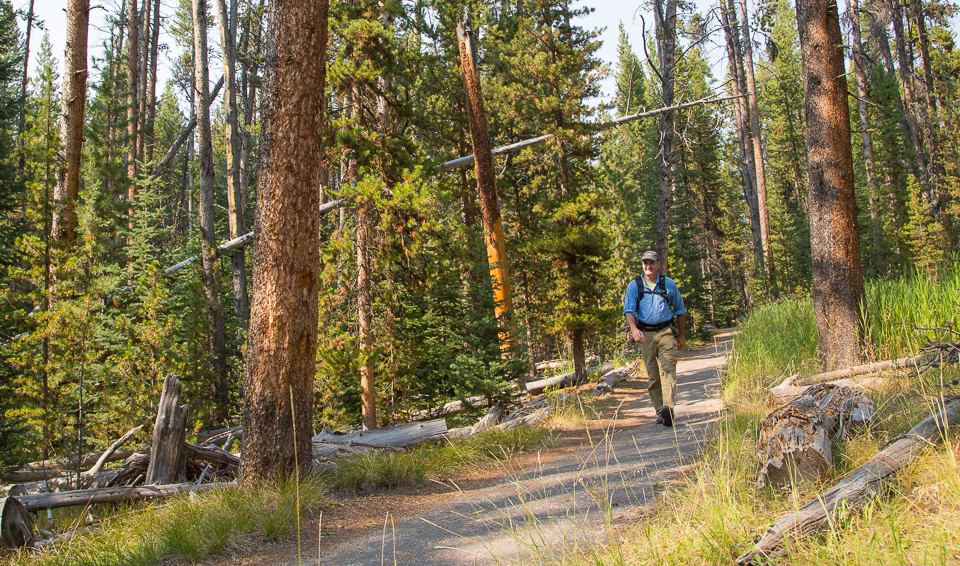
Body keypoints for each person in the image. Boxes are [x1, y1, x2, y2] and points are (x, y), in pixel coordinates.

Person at [623, 251, 686, 427]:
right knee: (653, 375)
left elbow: (680, 311)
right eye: (645, 263)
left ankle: (669, 408)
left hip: (666, 331)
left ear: (658, 264)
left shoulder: (669, 284)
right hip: (646, 335)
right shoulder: (635, 285)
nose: (648, 266)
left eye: (651, 263)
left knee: (667, 370)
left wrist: (682, 335)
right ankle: (660, 411)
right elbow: (629, 311)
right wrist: (634, 329)